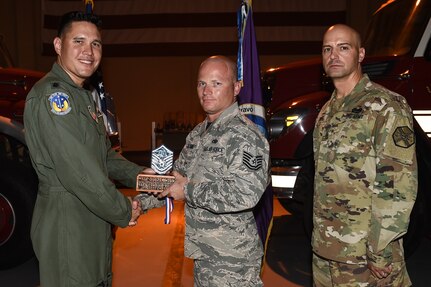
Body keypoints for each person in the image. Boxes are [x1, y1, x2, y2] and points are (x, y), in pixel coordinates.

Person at [23, 11, 161, 287]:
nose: (89, 51)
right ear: (58, 45)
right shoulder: (55, 98)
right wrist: (123, 208)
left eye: (96, 44)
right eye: (79, 41)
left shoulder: (83, 97)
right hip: (68, 222)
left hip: (91, 215)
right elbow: (79, 170)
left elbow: (104, 156)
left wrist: (142, 176)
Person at [312, 24, 418, 286]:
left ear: (360, 54)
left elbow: (397, 184)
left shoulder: (386, 106)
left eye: (343, 47)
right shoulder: (326, 111)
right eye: (328, 49)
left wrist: (380, 249)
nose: (333, 55)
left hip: (364, 256)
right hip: (326, 251)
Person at [156, 55, 270, 286]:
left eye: (217, 83)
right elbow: (177, 177)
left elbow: (244, 194)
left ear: (236, 87)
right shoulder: (199, 133)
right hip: (205, 254)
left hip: (233, 262)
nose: (207, 91)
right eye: (202, 83)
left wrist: (187, 191)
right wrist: (138, 200)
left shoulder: (246, 136)